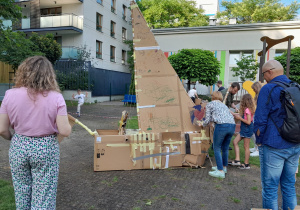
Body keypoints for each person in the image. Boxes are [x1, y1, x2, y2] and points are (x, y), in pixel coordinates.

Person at [0, 56, 71, 209]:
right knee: (43, 197)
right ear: (49, 75)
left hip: (19, 146)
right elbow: (65, 130)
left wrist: (13, 138)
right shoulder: (56, 97)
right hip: (46, 148)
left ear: (23, 72)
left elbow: (2, 129)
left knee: (22, 193)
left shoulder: (9, 95)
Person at [254, 60, 300, 210]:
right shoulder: (295, 86)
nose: (263, 78)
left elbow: (260, 118)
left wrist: (259, 140)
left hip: (274, 145)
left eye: (263, 74)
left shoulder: (268, 88)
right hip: (295, 143)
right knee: (289, 185)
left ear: (270, 72)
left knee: (270, 188)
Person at [202, 91, 236, 178]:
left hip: (221, 126)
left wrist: (202, 124)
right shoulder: (223, 105)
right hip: (232, 126)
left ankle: (220, 171)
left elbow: (207, 119)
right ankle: (223, 167)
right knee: (225, 148)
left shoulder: (210, 104)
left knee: (216, 147)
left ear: (212, 97)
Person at [229, 94, 256, 169]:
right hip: (244, 129)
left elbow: (248, 122)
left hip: (247, 129)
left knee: (246, 147)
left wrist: (239, 118)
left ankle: (246, 164)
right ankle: (237, 160)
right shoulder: (247, 109)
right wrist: (234, 114)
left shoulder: (247, 110)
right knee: (235, 142)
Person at [249, 81, 262, 157]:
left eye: (254, 89)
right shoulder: (257, 95)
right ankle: (256, 147)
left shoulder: (260, 95)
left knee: (256, 132)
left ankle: (258, 149)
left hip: (258, 116)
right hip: (255, 115)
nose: (253, 90)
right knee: (253, 132)